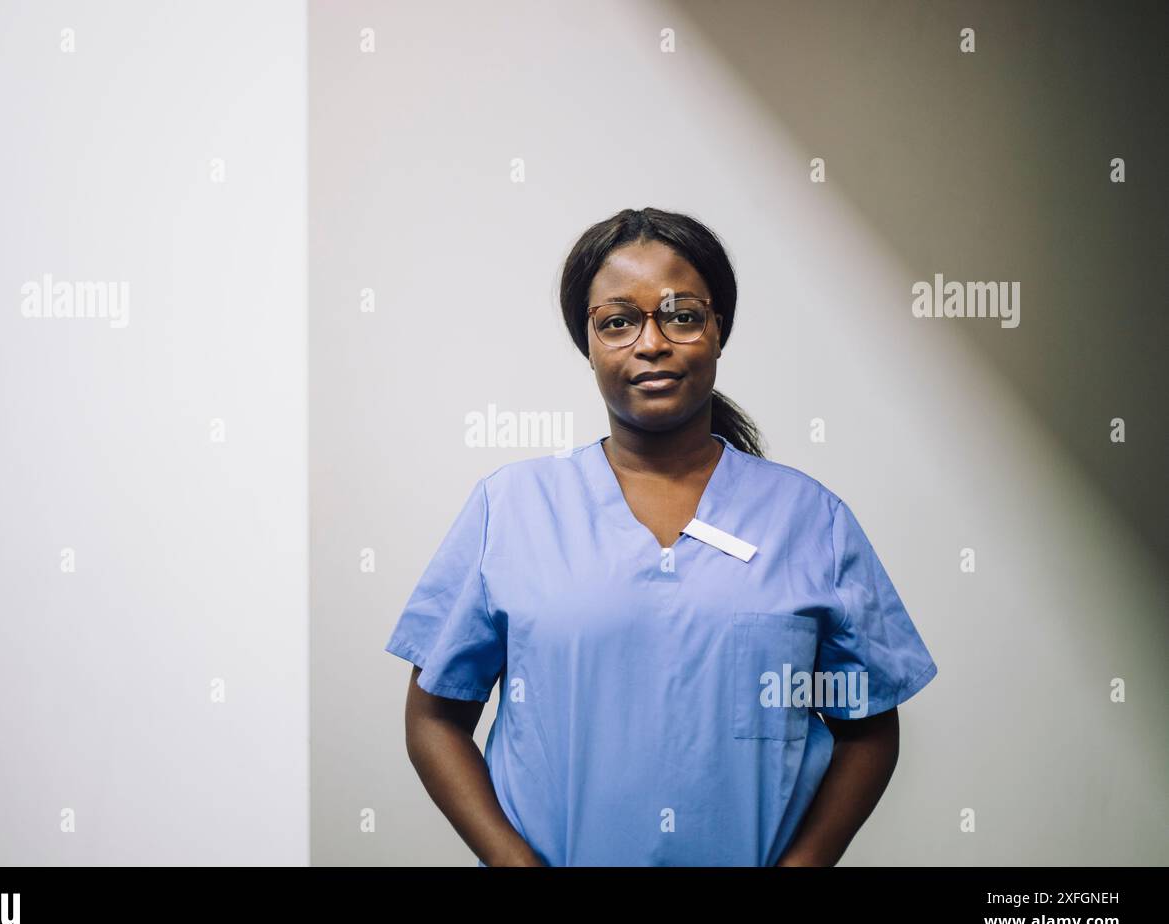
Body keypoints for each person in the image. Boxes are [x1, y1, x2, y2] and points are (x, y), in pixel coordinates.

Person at [384, 207, 938, 867]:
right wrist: (512, 862)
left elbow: (869, 726)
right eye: (618, 321)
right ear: (587, 343)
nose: (651, 343)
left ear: (718, 330)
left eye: (681, 314)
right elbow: (435, 719)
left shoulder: (810, 519)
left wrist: (806, 862)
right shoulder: (510, 508)